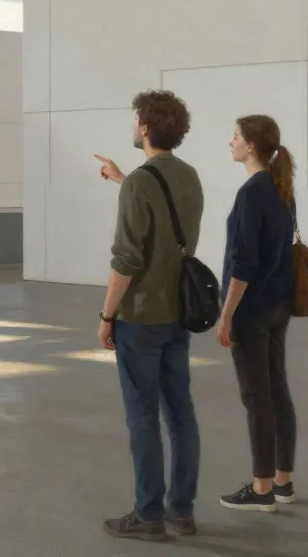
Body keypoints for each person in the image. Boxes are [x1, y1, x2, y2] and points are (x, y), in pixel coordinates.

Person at [93, 90, 204, 543]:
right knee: (181, 414)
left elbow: (126, 261)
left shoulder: (143, 182)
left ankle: (148, 513)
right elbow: (163, 216)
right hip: (177, 312)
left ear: (144, 127)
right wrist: (124, 179)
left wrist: (106, 315)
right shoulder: (188, 176)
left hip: (139, 317)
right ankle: (181, 510)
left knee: (142, 415)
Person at [215, 114, 299, 513]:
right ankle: (282, 481)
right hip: (279, 304)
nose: (230, 142)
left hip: (251, 310)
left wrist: (227, 314)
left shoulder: (251, 193)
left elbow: (242, 264)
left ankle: (261, 488)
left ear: (250, 146)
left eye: (235, 137)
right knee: (277, 389)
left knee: (256, 397)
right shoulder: (282, 187)